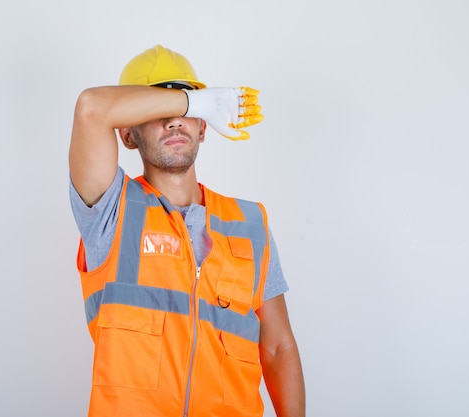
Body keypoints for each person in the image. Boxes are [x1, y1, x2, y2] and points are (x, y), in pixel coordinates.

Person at [69, 45, 305, 417]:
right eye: (160, 108)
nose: (176, 120)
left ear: (204, 127)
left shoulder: (250, 224)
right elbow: (91, 109)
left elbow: (278, 347)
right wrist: (192, 102)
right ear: (128, 136)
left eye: (188, 110)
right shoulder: (110, 211)